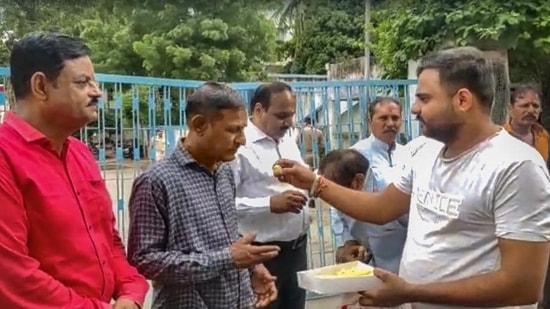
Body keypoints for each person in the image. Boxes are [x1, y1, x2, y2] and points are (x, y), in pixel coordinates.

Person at [274, 46, 550, 309]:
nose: (415, 109)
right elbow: (381, 208)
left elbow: (522, 285)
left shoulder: (516, 166)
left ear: (463, 100)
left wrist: (409, 291)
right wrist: (313, 183)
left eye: (425, 98)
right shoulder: (425, 152)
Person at [0, 32, 149, 308]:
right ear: (41, 86)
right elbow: (12, 279)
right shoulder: (5, 157)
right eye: (83, 83)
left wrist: (130, 291)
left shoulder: (80, 153)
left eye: (95, 82)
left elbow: (108, 241)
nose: (97, 92)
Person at [127, 82, 280, 309]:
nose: (242, 140)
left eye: (243, 129)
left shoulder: (224, 172)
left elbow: (225, 234)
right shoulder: (157, 181)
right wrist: (226, 259)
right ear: (199, 125)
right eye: (232, 130)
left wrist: (252, 267)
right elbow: (144, 261)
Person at [230, 81, 310, 309]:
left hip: (296, 250)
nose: (288, 122)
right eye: (281, 115)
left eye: (292, 115)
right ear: (258, 110)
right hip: (262, 256)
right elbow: (222, 203)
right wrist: (269, 204)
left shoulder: (287, 140)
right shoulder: (240, 147)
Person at [330, 97, 409, 274]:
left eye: (395, 118)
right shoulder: (356, 155)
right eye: (383, 118)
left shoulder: (408, 154)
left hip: (405, 246)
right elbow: (338, 201)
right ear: (369, 121)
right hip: (369, 248)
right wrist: (346, 241)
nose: (390, 123)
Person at [320, 149, 371, 263]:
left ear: (357, 182)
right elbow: (339, 216)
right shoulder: (343, 194)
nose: (330, 196)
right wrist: (348, 243)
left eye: (333, 189)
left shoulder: (386, 195)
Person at [504, 84, 549, 167]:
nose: (531, 110)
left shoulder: (543, 136)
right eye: (525, 106)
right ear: (510, 109)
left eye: (535, 106)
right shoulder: (500, 138)